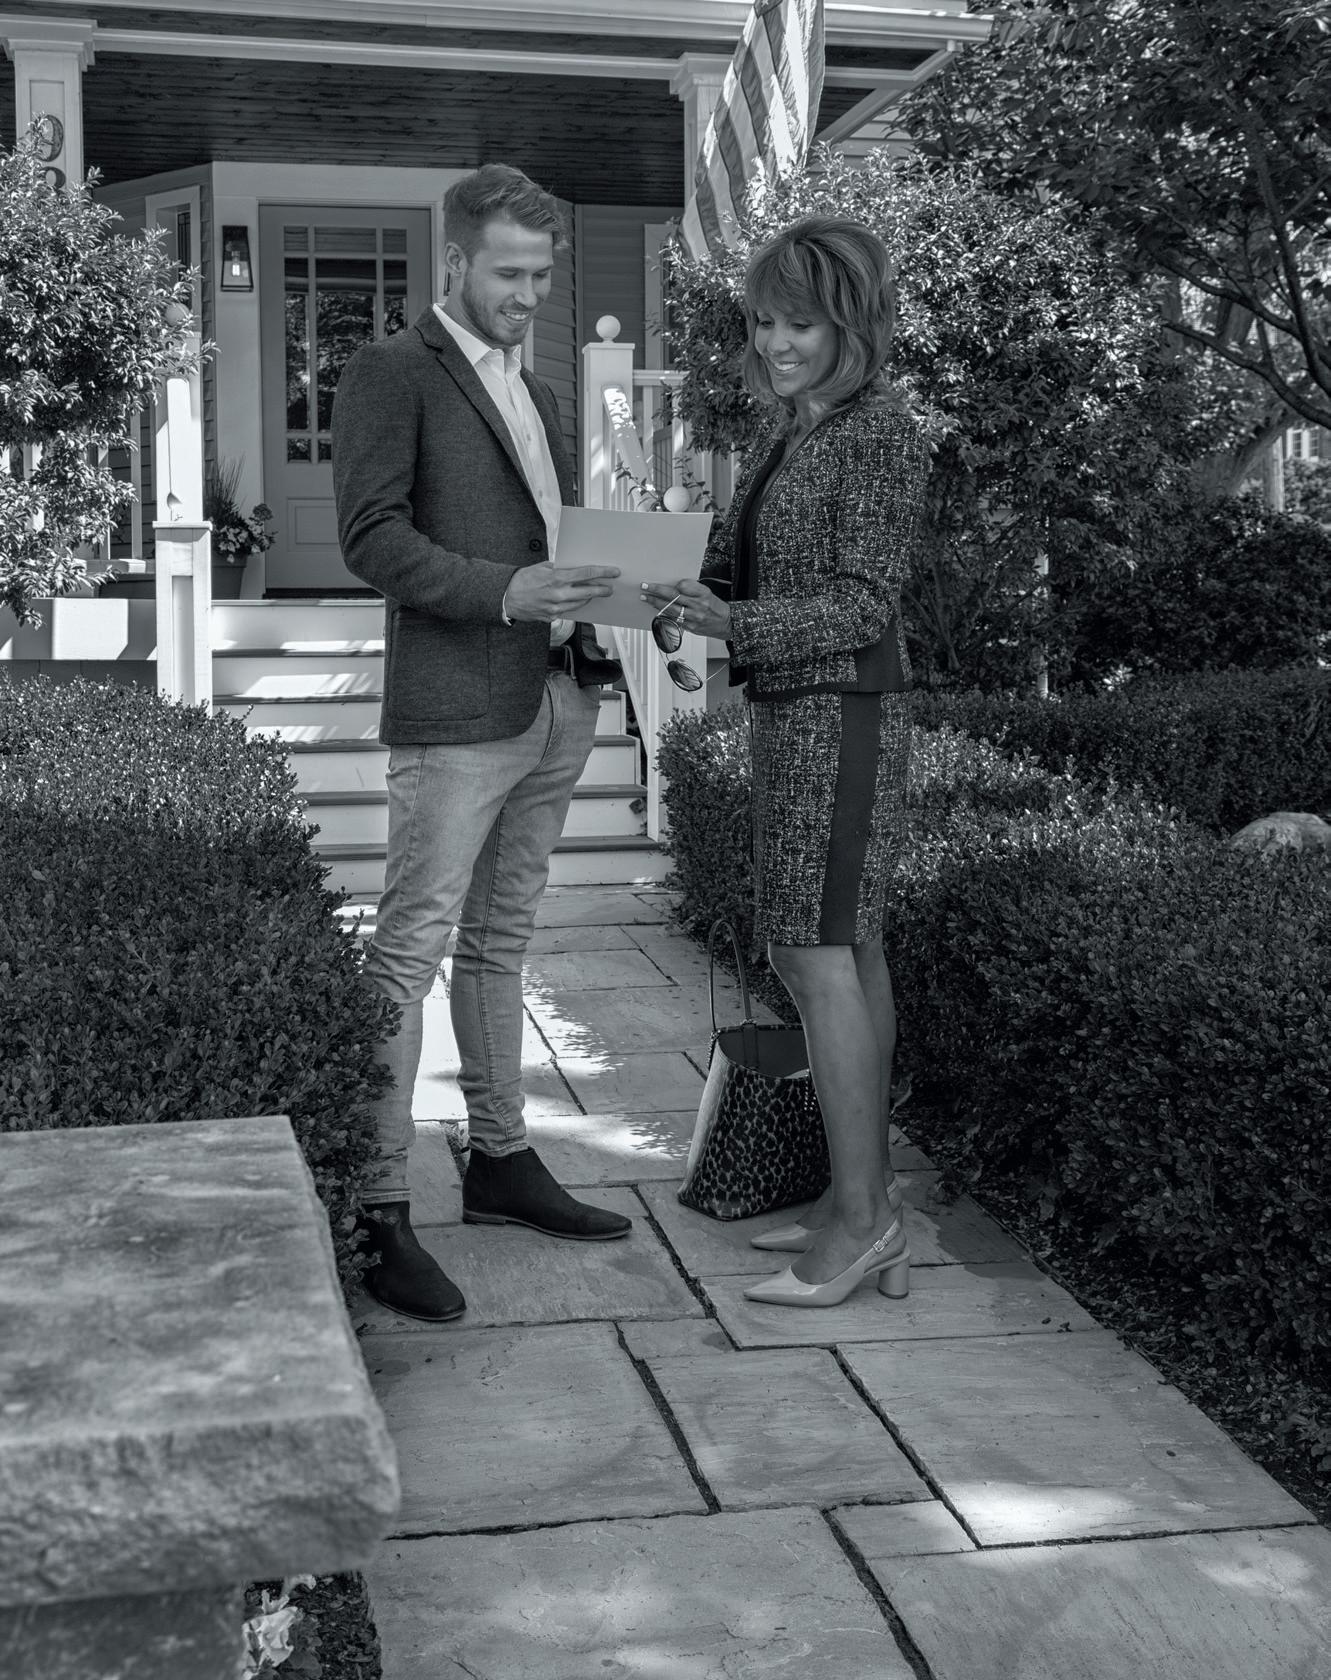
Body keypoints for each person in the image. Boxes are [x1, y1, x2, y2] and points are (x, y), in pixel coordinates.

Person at [332, 163, 632, 1325]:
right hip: (458, 703)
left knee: (503, 943)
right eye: (509, 273)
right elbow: (371, 537)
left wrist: (609, 582)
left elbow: (545, 532)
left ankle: (500, 1158)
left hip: (558, 694)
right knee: (409, 948)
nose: (528, 294)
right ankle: (376, 1204)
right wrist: (506, 592)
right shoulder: (391, 371)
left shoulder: (540, 391)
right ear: (453, 260)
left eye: (542, 275)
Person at [642, 216, 929, 1309]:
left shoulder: (878, 433)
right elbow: (738, 564)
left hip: (840, 719)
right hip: (795, 717)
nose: (773, 343)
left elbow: (861, 606)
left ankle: (859, 1226)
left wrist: (734, 625)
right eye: (763, 322)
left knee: (815, 956)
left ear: (850, 324)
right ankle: (865, 1202)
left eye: (798, 324)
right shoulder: (793, 430)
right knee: (847, 955)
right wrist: (662, 577)